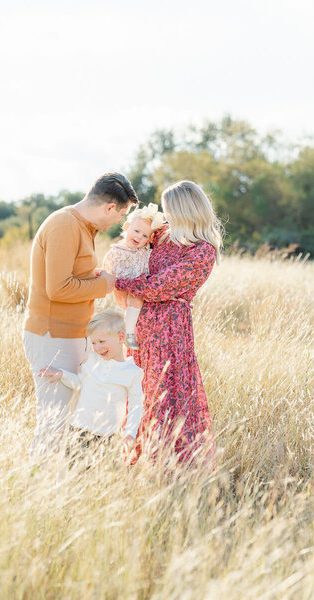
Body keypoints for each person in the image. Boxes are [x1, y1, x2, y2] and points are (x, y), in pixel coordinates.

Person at [22, 173, 138, 458]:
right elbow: (58, 289)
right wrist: (105, 284)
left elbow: (72, 277)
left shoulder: (83, 228)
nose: (118, 223)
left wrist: (92, 277)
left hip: (71, 336)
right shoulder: (64, 225)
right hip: (53, 337)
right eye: (120, 215)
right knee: (54, 422)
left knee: (69, 420)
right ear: (109, 208)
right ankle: (37, 488)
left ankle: (62, 488)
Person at [114, 180, 223, 465]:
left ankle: (173, 464)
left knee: (169, 391)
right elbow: (131, 243)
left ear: (185, 209)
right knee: (140, 392)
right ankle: (136, 461)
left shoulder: (202, 251)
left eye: (170, 207)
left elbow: (161, 285)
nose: (165, 213)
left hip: (171, 329)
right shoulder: (160, 235)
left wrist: (118, 282)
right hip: (139, 328)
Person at [37, 310, 143, 457]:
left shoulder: (132, 372)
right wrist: (62, 375)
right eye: (93, 342)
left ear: (121, 337)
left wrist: (130, 433)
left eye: (102, 342)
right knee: (74, 471)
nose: (97, 347)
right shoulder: (91, 360)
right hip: (79, 429)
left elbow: (135, 407)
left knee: (101, 475)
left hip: (107, 436)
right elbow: (81, 384)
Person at [102, 203, 165, 349]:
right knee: (133, 298)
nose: (138, 236)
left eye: (144, 235)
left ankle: (128, 331)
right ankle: (128, 334)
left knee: (136, 300)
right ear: (126, 227)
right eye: (136, 231)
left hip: (140, 289)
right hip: (125, 288)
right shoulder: (118, 251)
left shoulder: (145, 251)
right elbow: (110, 270)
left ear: (149, 239)